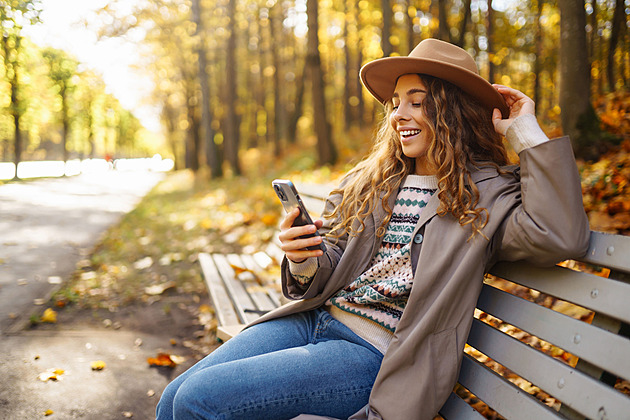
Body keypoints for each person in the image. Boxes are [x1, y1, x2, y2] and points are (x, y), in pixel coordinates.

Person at [156, 38, 590, 420]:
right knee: (173, 397)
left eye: (418, 102)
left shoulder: (488, 197)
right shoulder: (372, 181)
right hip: (315, 320)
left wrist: (525, 132)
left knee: (198, 400)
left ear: (453, 111)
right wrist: (302, 256)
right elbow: (329, 265)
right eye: (397, 102)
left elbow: (561, 235)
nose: (400, 113)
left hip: (373, 357)